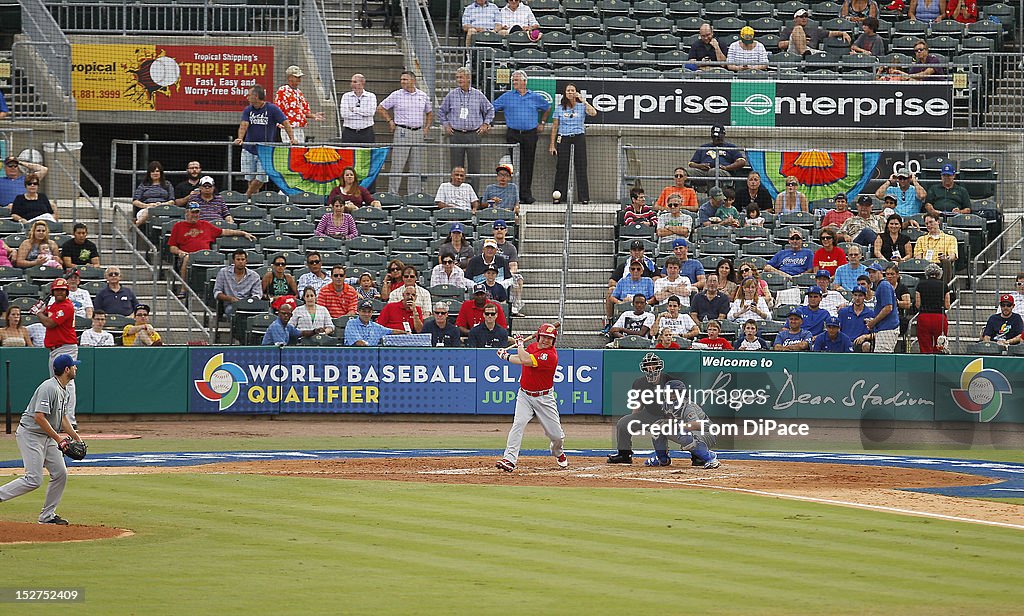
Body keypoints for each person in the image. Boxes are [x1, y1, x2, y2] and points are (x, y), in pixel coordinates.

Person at [0, 354, 83, 525]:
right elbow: (39, 417)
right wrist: (59, 439)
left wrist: (77, 438)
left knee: (60, 473)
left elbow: (63, 419)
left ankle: (47, 516)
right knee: (34, 479)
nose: (76, 368)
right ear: (66, 370)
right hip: (31, 435)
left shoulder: (64, 389)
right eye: (73, 366)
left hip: (47, 436)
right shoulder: (49, 387)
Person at [606, 354, 720, 468]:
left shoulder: (672, 383)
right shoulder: (639, 383)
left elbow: (687, 413)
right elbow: (637, 405)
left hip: (674, 418)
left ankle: (700, 455)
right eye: (648, 366)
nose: (651, 369)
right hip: (651, 414)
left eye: (653, 366)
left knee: (681, 433)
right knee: (625, 422)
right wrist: (633, 423)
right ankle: (631, 455)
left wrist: (676, 425)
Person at [495, 324, 567, 472]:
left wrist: (520, 344)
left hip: (544, 398)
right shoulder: (533, 347)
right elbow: (522, 359)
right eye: (544, 337)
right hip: (525, 395)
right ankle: (509, 459)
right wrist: (505, 356)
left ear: (553, 341)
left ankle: (558, 452)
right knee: (518, 424)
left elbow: (527, 360)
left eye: (550, 338)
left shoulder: (550, 356)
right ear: (538, 336)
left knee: (556, 435)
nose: (546, 340)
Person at [492, 70, 551, 205]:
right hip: (513, 134)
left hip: (530, 134)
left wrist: (542, 123)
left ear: (525, 82)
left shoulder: (534, 97)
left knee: (528, 164)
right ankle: (516, 195)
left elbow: (547, 107)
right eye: (513, 81)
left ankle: (526, 194)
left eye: (517, 81)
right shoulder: (507, 96)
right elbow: (492, 108)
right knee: (516, 165)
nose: (515, 83)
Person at [168, 203, 255, 294]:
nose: (195, 215)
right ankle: (184, 289)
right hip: (188, 256)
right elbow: (172, 247)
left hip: (207, 257)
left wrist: (242, 233)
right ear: (186, 212)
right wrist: (180, 252)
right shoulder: (178, 226)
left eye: (197, 212)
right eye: (193, 212)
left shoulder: (205, 225)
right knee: (187, 258)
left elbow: (224, 232)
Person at [377, 72, 433, 195]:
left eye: (405, 79)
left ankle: (414, 195)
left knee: (416, 166)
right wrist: (390, 121)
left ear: (413, 81)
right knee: (397, 164)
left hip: (418, 132)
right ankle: (392, 194)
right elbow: (381, 107)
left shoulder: (423, 95)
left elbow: (429, 112)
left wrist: (427, 127)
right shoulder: (396, 95)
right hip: (402, 131)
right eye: (401, 79)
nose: (402, 81)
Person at [438, 68, 494, 190]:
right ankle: (455, 195)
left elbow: (490, 110)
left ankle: (473, 197)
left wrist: (485, 124)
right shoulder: (451, 95)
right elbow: (441, 111)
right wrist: (446, 124)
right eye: (457, 77)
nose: (459, 80)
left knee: (474, 168)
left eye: (461, 77)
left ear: (468, 78)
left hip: (474, 134)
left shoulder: (478, 95)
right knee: (456, 167)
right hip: (456, 135)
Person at [234, 85, 294, 196]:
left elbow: (285, 122)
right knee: (250, 178)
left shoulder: (272, 109)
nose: (247, 97)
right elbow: (244, 125)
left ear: (256, 96)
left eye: (249, 95)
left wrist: (292, 138)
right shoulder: (248, 110)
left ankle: (246, 196)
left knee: (261, 177)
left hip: (265, 150)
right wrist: (240, 138)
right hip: (249, 149)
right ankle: (252, 203)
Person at [37, 278, 80, 426]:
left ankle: (70, 420)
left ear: (66, 291)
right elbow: (46, 316)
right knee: (57, 384)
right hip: (55, 348)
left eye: (62, 290)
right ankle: (60, 419)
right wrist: (41, 309)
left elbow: (49, 322)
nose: (60, 292)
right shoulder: (53, 305)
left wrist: (38, 313)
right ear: (53, 292)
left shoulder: (66, 306)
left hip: (66, 347)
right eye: (57, 290)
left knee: (66, 382)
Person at [548, 83, 596, 205]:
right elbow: (554, 127)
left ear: (576, 92)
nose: (570, 92)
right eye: (568, 90)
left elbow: (593, 113)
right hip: (563, 138)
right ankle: (558, 196)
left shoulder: (581, 106)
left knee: (581, 167)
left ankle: (584, 197)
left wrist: (583, 101)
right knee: (562, 167)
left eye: (572, 90)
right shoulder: (559, 108)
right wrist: (552, 145)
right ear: (565, 93)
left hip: (578, 137)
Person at [274, 65, 323, 144]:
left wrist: (314, 116)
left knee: (300, 149)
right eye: (297, 77)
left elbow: (304, 111)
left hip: (299, 128)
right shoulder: (283, 90)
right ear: (290, 77)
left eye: (299, 77)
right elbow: (277, 110)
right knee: (290, 149)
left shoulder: (299, 92)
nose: (299, 79)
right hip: (287, 128)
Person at [781, 8, 852, 55]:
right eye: (801, 16)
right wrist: (800, 40)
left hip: (810, 52)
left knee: (825, 55)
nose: (804, 18)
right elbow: (781, 45)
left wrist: (843, 33)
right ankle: (803, 53)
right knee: (798, 28)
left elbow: (830, 33)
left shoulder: (814, 30)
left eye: (806, 16)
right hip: (794, 51)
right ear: (795, 19)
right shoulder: (787, 30)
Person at [865, 263, 900, 352]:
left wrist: (873, 322)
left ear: (881, 273)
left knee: (883, 359)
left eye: (874, 272)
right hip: (884, 328)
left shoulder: (884, 285)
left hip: (888, 329)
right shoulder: (881, 286)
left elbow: (888, 308)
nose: (871, 274)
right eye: (869, 272)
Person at [915, 263, 950, 353]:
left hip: (924, 317)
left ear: (926, 274)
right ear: (939, 274)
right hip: (939, 318)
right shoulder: (944, 285)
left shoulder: (920, 285)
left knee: (925, 346)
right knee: (940, 345)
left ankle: (926, 365)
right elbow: (947, 305)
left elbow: (917, 304)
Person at [914, 213, 958, 282]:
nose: (928, 225)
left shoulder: (950, 238)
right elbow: (918, 257)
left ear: (938, 221)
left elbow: (952, 255)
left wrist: (946, 258)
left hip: (940, 265)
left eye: (931, 222)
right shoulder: (921, 239)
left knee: (946, 262)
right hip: (925, 266)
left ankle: (944, 288)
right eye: (926, 224)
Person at [131, 161, 175, 226]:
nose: (155, 173)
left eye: (157, 171)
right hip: (145, 210)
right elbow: (135, 201)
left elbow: (172, 201)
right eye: (152, 171)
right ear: (149, 173)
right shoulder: (143, 185)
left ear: (161, 173)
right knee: (149, 211)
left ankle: (136, 224)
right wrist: (147, 206)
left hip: (163, 210)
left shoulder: (167, 184)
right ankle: (138, 223)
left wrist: (161, 205)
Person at [340, 74, 377, 144]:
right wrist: (362, 112)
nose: (351, 84)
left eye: (354, 82)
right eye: (351, 82)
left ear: (362, 83)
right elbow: (344, 114)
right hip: (349, 133)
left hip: (366, 133)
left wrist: (353, 109)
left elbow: (370, 112)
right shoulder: (346, 96)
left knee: (367, 154)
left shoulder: (371, 96)